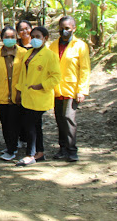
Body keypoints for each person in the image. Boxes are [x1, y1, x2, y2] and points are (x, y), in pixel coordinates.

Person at [15, 26, 61, 167]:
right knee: (35, 125)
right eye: (33, 36)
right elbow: (23, 75)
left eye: (38, 37)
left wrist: (41, 85)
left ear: (45, 38)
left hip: (40, 96)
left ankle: (30, 154)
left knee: (30, 126)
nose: (35, 39)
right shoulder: (28, 53)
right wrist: (19, 91)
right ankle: (39, 152)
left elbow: (56, 77)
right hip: (27, 95)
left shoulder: (50, 55)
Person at [48, 16, 90, 162]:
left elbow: (85, 69)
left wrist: (82, 90)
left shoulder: (80, 46)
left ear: (73, 28)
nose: (64, 31)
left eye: (67, 28)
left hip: (72, 89)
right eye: (61, 28)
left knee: (68, 118)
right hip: (57, 88)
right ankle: (62, 148)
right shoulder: (53, 45)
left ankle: (72, 150)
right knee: (59, 119)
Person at [0, 26, 27, 161]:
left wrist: (21, 91)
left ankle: (12, 149)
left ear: (16, 38)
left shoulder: (23, 53)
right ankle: (10, 145)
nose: (9, 39)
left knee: (14, 123)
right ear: (2, 38)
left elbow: (26, 75)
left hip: (18, 95)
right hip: (2, 96)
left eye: (12, 37)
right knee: (5, 123)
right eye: (6, 37)